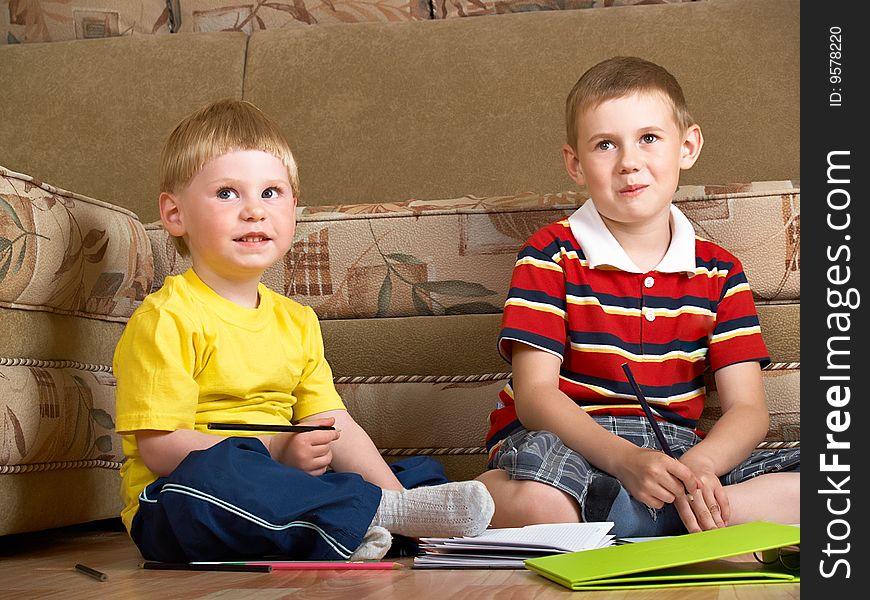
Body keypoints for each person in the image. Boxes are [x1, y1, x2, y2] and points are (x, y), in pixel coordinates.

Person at [113, 98, 494, 562]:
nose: (254, 210)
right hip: (175, 501)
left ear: (295, 206)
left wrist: (394, 492)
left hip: (280, 477)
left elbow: (331, 423)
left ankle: (381, 516)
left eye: (270, 192)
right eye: (228, 193)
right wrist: (274, 449)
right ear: (175, 215)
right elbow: (161, 448)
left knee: (413, 472)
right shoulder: (168, 317)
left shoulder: (297, 321)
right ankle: (358, 520)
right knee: (224, 472)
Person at [476, 56, 799, 538]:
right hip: (571, 444)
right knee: (535, 500)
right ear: (576, 164)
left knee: (831, 485)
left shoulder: (720, 271)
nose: (629, 162)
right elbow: (536, 396)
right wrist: (625, 460)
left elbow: (748, 409)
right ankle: (669, 524)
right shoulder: (550, 255)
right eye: (605, 145)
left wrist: (698, 472)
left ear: (687, 146)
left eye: (649, 138)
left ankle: (662, 518)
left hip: (678, 452)